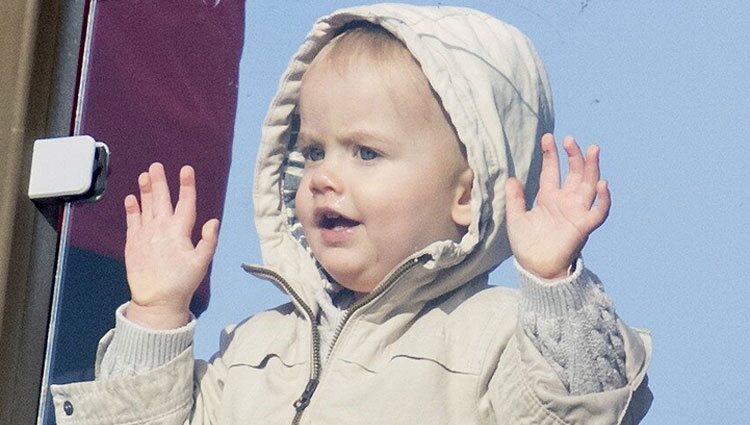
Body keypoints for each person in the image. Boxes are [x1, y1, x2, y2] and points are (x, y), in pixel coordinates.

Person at [51, 4, 652, 424]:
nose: (323, 177)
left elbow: (579, 410)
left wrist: (553, 285)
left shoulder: (496, 337)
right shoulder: (252, 347)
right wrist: (156, 316)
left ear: (466, 194)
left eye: (366, 152)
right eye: (312, 151)